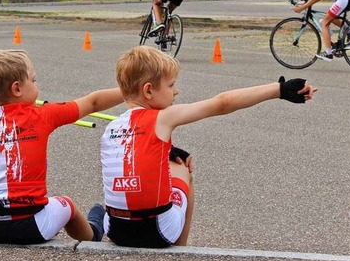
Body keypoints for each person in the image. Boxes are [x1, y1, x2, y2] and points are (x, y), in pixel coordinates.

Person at [101, 46, 317, 248]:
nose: (176, 91)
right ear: (148, 91)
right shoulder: (164, 117)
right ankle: (180, 251)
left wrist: (167, 151)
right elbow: (222, 103)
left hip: (116, 230)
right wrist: (279, 89)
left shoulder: (110, 127)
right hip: (158, 231)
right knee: (183, 170)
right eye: (171, 85)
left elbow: (132, 159)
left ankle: (98, 219)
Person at [0, 49, 124, 245]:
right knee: (66, 204)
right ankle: (92, 233)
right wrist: (131, 91)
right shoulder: (41, 115)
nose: (37, 85)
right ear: (17, 88)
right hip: (32, 227)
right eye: (33, 80)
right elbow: (93, 102)